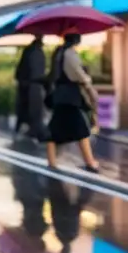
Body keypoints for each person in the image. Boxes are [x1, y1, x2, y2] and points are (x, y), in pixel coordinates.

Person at [44, 31, 100, 172]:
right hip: (70, 95)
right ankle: (90, 163)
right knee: (81, 128)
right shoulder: (69, 54)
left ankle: (52, 162)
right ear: (77, 40)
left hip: (60, 95)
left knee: (55, 128)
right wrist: (89, 86)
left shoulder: (58, 53)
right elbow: (78, 74)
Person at [14, 36, 47, 140]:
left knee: (24, 109)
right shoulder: (38, 52)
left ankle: (21, 127)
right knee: (35, 110)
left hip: (25, 85)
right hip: (35, 85)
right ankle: (35, 130)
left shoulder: (28, 51)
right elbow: (38, 71)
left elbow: (20, 69)